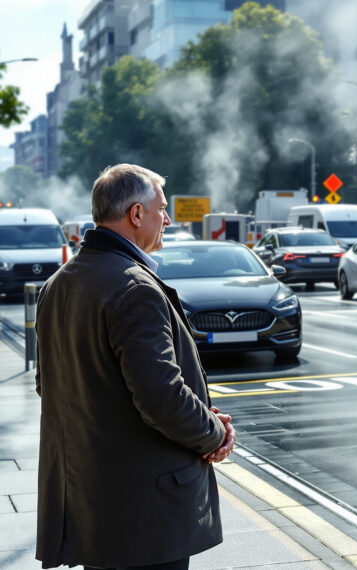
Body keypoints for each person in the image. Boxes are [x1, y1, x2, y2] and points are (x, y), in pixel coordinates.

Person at [34, 164, 235, 570]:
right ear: (136, 214)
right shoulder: (134, 287)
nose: (168, 218)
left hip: (91, 506)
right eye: (161, 208)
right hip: (146, 512)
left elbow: (50, 385)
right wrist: (214, 432)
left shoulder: (57, 283)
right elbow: (162, 397)